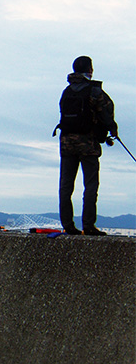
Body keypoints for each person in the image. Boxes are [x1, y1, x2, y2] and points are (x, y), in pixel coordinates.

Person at [56, 56, 118, 236]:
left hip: (66, 142)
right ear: (90, 70)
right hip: (87, 143)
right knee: (90, 184)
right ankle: (88, 225)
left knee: (66, 185)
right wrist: (112, 129)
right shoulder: (94, 90)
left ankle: (68, 225)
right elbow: (106, 112)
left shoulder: (66, 91)